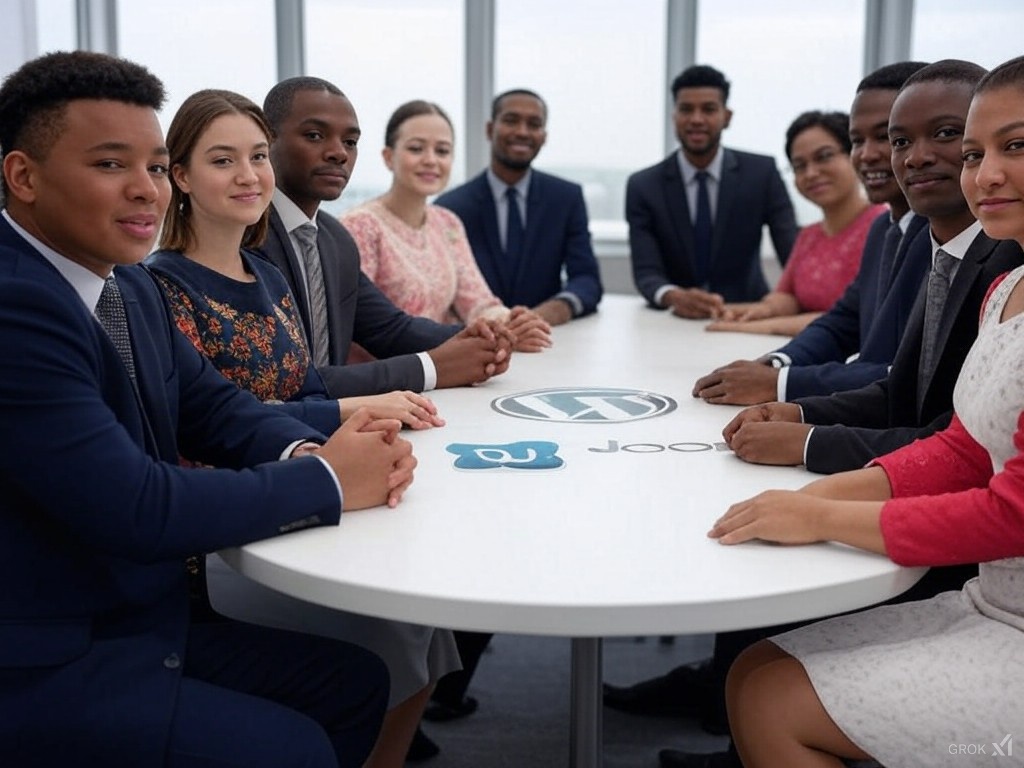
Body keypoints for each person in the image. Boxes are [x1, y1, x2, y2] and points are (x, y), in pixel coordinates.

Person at [0, 51, 415, 768]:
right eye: (109, 166)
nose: (145, 192)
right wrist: (330, 482)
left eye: (156, 168)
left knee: (356, 684)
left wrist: (316, 447)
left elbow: (218, 409)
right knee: (295, 750)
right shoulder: (16, 304)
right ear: (23, 176)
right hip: (50, 655)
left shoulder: (125, 289)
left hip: (142, 615)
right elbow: (133, 504)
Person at [622, 59, 1024, 768]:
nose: (985, 173)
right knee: (753, 669)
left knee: (767, 699)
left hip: (1001, 599)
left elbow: (1008, 510)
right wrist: (825, 487)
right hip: (993, 590)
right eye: (975, 153)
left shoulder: (991, 261)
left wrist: (820, 508)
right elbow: (963, 447)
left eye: (1013, 147)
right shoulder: (1008, 289)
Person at [146, 89, 457, 768]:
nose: (250, 174)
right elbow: (208, 420)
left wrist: (352, 414)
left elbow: (304, 386)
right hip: (233, 534)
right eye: (222, 159)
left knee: (431, 631)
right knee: (402, 627)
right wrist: (335, 427)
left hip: (302, 481)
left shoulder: (266, 275)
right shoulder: (163, 287)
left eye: (256, 156)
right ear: (179, 176)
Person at [722, 60, 1024, 477]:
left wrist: (810, 441)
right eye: (900, 141)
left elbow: (960, 442)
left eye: (948, 135)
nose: (915, 157)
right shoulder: (935, 243)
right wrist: (797, 410)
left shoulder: (1006, 264)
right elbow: (904, 390)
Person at [256, 77, 515, 399]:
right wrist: (432, 368)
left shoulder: (333, 239)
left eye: (350, 142)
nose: (338, 153)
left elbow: (389, 329)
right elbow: (286, 382)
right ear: (266, 140)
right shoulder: (247, 236)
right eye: (314, 135)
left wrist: (480, 336)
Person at [692, 62, 931, 407]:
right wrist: (775, 363)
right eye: (857, 141)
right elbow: (841, 322)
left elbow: (909, 374)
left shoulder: (937, 237)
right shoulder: (885, 231)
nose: (868, 154)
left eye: (889, 138)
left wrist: (780, 383)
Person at [340, 99, 552, 353]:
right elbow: (357, 329)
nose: (431, 160)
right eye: (417, 149)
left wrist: (512, 323)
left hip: (447, 368)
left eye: (442, 151)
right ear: (388, 157)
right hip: (389, 378)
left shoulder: (447, 222)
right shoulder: (361, 226)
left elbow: (478, 303)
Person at [626, 64, 798, 319]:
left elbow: (792, 254)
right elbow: (646, 271)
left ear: (726, 116)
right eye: (686, 109)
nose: (696, 119)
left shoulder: (762, 173)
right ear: (674, 116)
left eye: (708, 109)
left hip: (747, 315)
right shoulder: (644, 185)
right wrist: (673, 296)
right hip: (674, 321)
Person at [704, 110, 885, 336]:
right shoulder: (808, 235)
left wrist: (755, 327)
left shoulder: (884, 228)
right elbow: (788, 296)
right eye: (799, 165)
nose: (811, 173)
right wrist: (759, 312)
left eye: (824, 156)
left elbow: (856, 317)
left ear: (855, 155)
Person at [435, 88, 603, 325]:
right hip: (476, 340)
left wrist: (553, 311)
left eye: (534, 124)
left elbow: (587, 278)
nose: (522, 132)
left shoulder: (566, 198)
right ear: (490, 129)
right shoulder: (450, 208)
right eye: (511, 121)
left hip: (548, 337)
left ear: (544, 136)